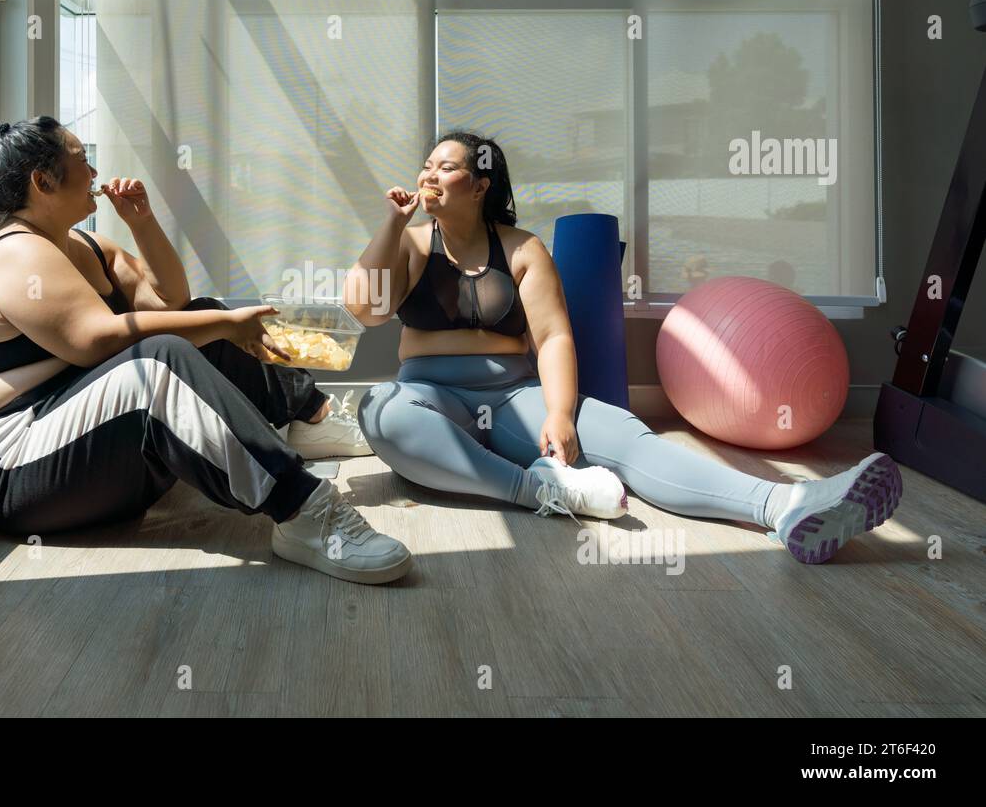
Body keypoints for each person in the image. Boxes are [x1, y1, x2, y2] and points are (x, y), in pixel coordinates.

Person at [347, 132, 902, 564]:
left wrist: (562, 414)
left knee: (631, 440)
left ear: (481, 184)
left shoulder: (521, 249)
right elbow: (362, 307)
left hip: (514, 392)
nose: (429, 174)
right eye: (426, 166)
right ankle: (538, 491)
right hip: (430, 393)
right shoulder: (414, 243)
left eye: (446, 166)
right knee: (381, 410)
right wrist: (392, 224)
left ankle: (784, 507)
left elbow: (554, 337)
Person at [0, 117, 409, 585]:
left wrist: (143, 223)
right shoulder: (16, 253)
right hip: (16, 469)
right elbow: (96, 340)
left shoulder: (83, 244)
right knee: (164, 357)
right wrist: (227, 324)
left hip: (85, 452)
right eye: (82, 162)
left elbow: (169, 301)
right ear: (42, 181)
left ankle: (308, 419)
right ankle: (304, 513)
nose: (94, 173)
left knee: (201, 319)